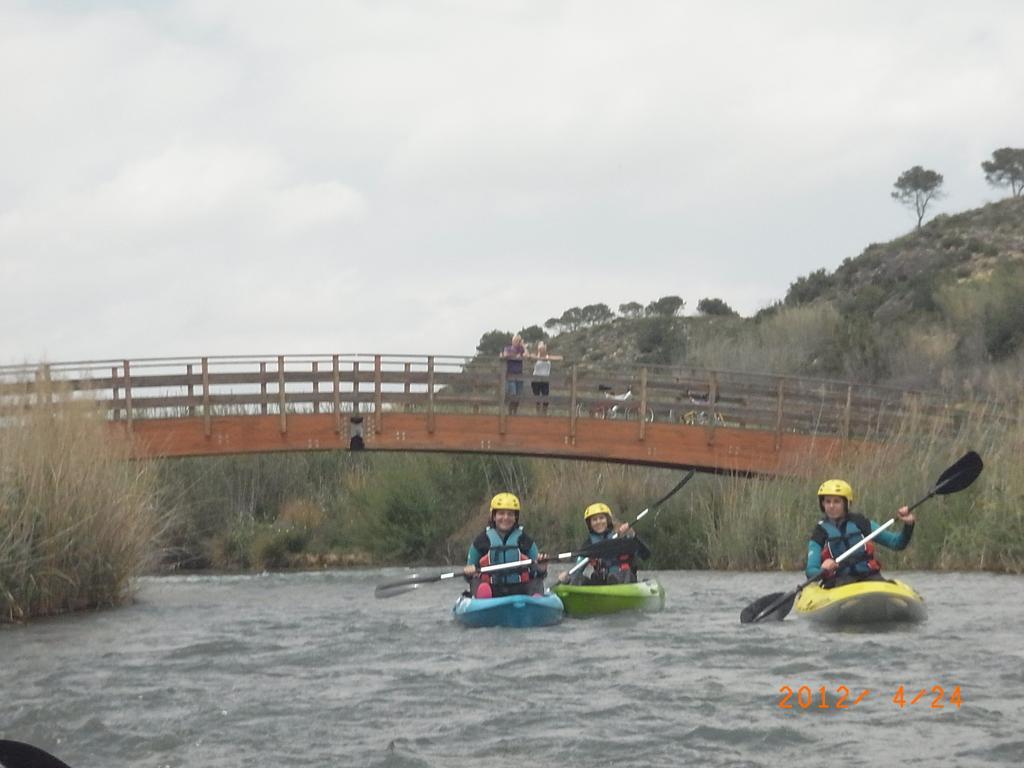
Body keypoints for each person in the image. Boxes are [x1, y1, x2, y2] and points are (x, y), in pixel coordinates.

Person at [806, 479, 915, 588]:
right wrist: (823, 569)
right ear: (822, 504)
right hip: (839, 583)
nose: (831, 506)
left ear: (846, 503)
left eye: (836, 501)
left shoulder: (861, 523)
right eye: (827, 501)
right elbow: (810, 571)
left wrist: (908, 525)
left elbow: (897, 543)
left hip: (870, 578)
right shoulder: (820, 532)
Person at [463, 492, 549, 598]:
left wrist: (541, 568)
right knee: (476, 582)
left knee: (536, 582)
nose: (506, 517)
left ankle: (536, 600)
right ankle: (483, 598)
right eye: (501, 513)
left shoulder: (525, 541)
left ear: (515, 517)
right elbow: (468, 573)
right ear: (493, 516)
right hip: (492, 589)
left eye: (510, 514)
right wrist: (469, 571)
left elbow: (539, 574)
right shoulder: (481, 541)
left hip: (520, 588)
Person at [558, 502, 650, 586]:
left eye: (601, 518)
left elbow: (645, 554)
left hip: (625, 581)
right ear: (590, 524)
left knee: (616, 576)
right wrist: (568, 576)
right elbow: (579, 567)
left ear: (608, 520)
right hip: (600, 582)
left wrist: (633, 535)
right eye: (594, 519)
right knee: (577, 579)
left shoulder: (622, 536)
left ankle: (614, 583)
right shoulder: (589, 544)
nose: (598, 522)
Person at [529, 341, 563, 416]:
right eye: (541, 349)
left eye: (543, 349)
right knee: (537, 397)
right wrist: (537, 357)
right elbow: (529, 357)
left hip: (545, 380)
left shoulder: (548, 357)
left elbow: (559, 358)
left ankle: (544, 413)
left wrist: (550, 358)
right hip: (536, 379)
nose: (542, 350)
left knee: (545, 397)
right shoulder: (536, 357)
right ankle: (538, 413)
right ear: (538, 350)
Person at [500, 334, 526, 415]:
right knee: (513, 393)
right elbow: (505, 354)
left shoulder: (521, 349)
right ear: (512, 341)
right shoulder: (508, 348)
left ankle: (515, 412)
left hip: (519, 374)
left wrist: (524, 346)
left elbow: (527, 355)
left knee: (518, 395)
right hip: (510, 374)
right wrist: (516, 356)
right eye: (515, 340)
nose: (516, 342)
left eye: (518, 341)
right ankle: (510, 412)